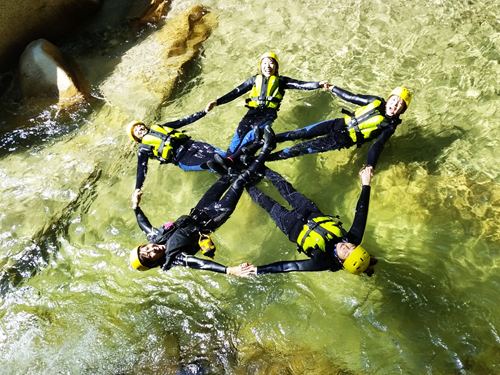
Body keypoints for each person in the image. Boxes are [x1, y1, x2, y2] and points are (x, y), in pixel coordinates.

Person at [128, 126, 275, 275]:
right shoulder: (175, 258)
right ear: (153, 263)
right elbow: (200, 264)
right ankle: (266, 148)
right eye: (149, 254)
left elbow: (143, 224)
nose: (152, 248)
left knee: (228, 176)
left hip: (199, 209)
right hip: (216, 216)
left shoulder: (154, 237)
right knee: (239, 181)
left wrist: (135, 206)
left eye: (146, 248)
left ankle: (255, 144)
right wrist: (230, 270)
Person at [243, 166, 376, 276]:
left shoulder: (323, 262)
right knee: (284, 186)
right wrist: (366, 184)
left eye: (346, 253)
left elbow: (290, 266)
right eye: (351, 247)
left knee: (265, 202)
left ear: (342, 262)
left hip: (291, 226)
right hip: (310, 211)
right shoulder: (352, 238)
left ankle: (242, 181)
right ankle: (257, 165)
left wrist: (258, 270)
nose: (346, 246)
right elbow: (361, 211)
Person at [205, 52, 329, 164]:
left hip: (268, 113)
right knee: (240, 132)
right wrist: (217, 102)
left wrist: (318, 84)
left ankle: (232, 159)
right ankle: (227, 159)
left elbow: (300, 85)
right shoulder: (254, 80)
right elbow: (235, 92)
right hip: (252, 112)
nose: (268, 66)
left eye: (271, 63)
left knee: (254, 133)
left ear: (276, 67)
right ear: (261, 66)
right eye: (265, 63)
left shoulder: (281, 81)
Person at [267, 86, 412, 169]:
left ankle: (266, 159)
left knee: (302, 148)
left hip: (342, 139)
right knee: (299, 133)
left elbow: (377, 145)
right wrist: (333, 88)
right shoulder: (374, 101)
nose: (395, 104)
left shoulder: (390, 126)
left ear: (402, 110)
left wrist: (369, 165)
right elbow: (351, 97)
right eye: (394, 99)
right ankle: (267, 139)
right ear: (388, 99)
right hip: (337, 123)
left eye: (400, 104)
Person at [126, 103, 227, 194]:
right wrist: (138, 188)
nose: (139, 128)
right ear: (136, 138)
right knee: (213, 163)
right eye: (135, 130)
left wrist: (204, 111)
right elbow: (141, 168)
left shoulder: (161, 128)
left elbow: (183, 121)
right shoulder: (143, 150)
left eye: (139, 125)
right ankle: (231, 177)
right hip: (183, 159)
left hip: (194, 145)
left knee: (223, 156)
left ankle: (236, 165)